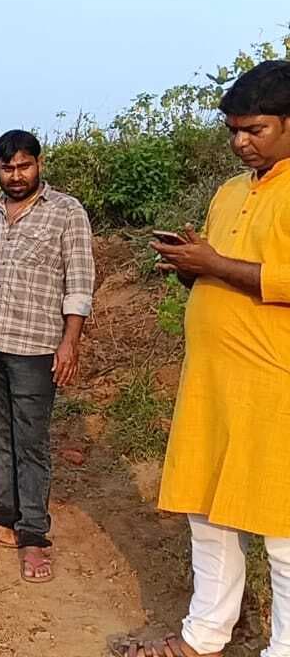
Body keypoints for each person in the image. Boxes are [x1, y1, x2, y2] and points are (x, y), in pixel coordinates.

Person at [112, 60, 290, 657]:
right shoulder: (229, 191)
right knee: (206, 511)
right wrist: (193, 268)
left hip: (275, 384)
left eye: (255, 130)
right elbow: (227, 272)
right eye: (233, 130)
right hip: (213, 379)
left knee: (282, 529)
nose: (241, 142)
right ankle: (204, 634)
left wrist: (213, 265)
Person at [0, 129, 95, 584]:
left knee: (30, 444)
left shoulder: (66, 212)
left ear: (39, 164)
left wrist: (69, 341)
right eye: (7, 168)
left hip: (36, 347)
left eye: (24, 166)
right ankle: (2, 522)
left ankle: (34, 537)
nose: (16, 176)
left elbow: (79, 282)